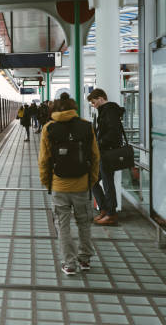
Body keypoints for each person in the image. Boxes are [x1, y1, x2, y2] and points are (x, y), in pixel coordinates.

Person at [39, 92, 100, 275]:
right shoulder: (86, 127)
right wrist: (92, 179)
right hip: (82, 185)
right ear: (74, 108)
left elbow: (44, 160)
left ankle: (69, 263)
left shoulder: (48, 128)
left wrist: (47, 181)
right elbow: (95, 157)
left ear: (54, 109)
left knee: (63, 226)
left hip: (59, 186)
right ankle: (85, 259)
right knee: (84, 223)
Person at [87, 88, 125, 225]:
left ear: (100, 98)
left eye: (93, 102)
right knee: (92, 180)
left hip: (108, 153)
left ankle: (111, 214)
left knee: (108, 184)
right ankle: (104, 209)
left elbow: (114, 133)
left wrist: (99, 142)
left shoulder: (109, 111)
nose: (93, 104)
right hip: (104, 152)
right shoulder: (104, 111)